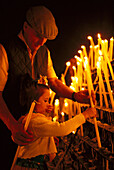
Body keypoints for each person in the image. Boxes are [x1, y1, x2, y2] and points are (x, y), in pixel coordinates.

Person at [0, 5, 95, 168]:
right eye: (38, 35)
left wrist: (75, 96)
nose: (42, 41)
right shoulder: (5, 49)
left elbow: (54, 82)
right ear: (25, 27)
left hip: (33, 128)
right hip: (8, 126)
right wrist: (12, 126)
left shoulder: (44, 52)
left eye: (46, 38)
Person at [13, 74, 96, 169]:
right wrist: (85, 115)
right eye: (45, 101)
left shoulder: (31, 117)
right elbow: (62, 129)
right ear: (33, 102)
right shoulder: (35, 121)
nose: (48, 104)